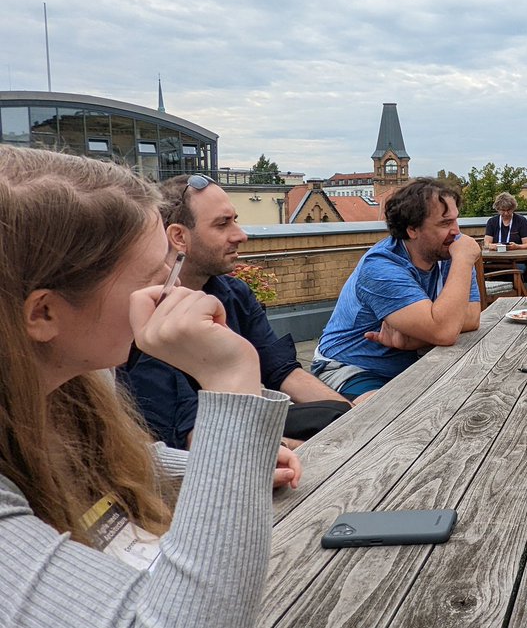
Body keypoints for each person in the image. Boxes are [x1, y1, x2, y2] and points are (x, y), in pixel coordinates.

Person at [0, 146, 299, 627]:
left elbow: (106, 459)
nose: (174, 292)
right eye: (153, 278)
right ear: (44, 313)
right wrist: (231, 383)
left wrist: (223, 464)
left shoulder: (70, 384)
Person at [121, 174, 351, 450]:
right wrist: (306, 449)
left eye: (235, 220)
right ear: (179, 237)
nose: (241, 235)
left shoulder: (233, 293)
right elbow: (188, 436)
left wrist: (355, 419)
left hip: (244, 428)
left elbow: (282, 371)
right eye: (222, 224)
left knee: (337, 414)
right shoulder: (149, 316)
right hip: (204, 451)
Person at [312, 178, 481, 397]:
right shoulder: (381, 267)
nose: (456, 232)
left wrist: (415, 339)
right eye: (445, 223)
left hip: (412, 363)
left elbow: (471, 316)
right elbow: (445, 331)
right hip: (353, 368)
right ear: (412, 229)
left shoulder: (447, 252)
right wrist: (463, 261)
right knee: (384, 420)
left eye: (456, 221)